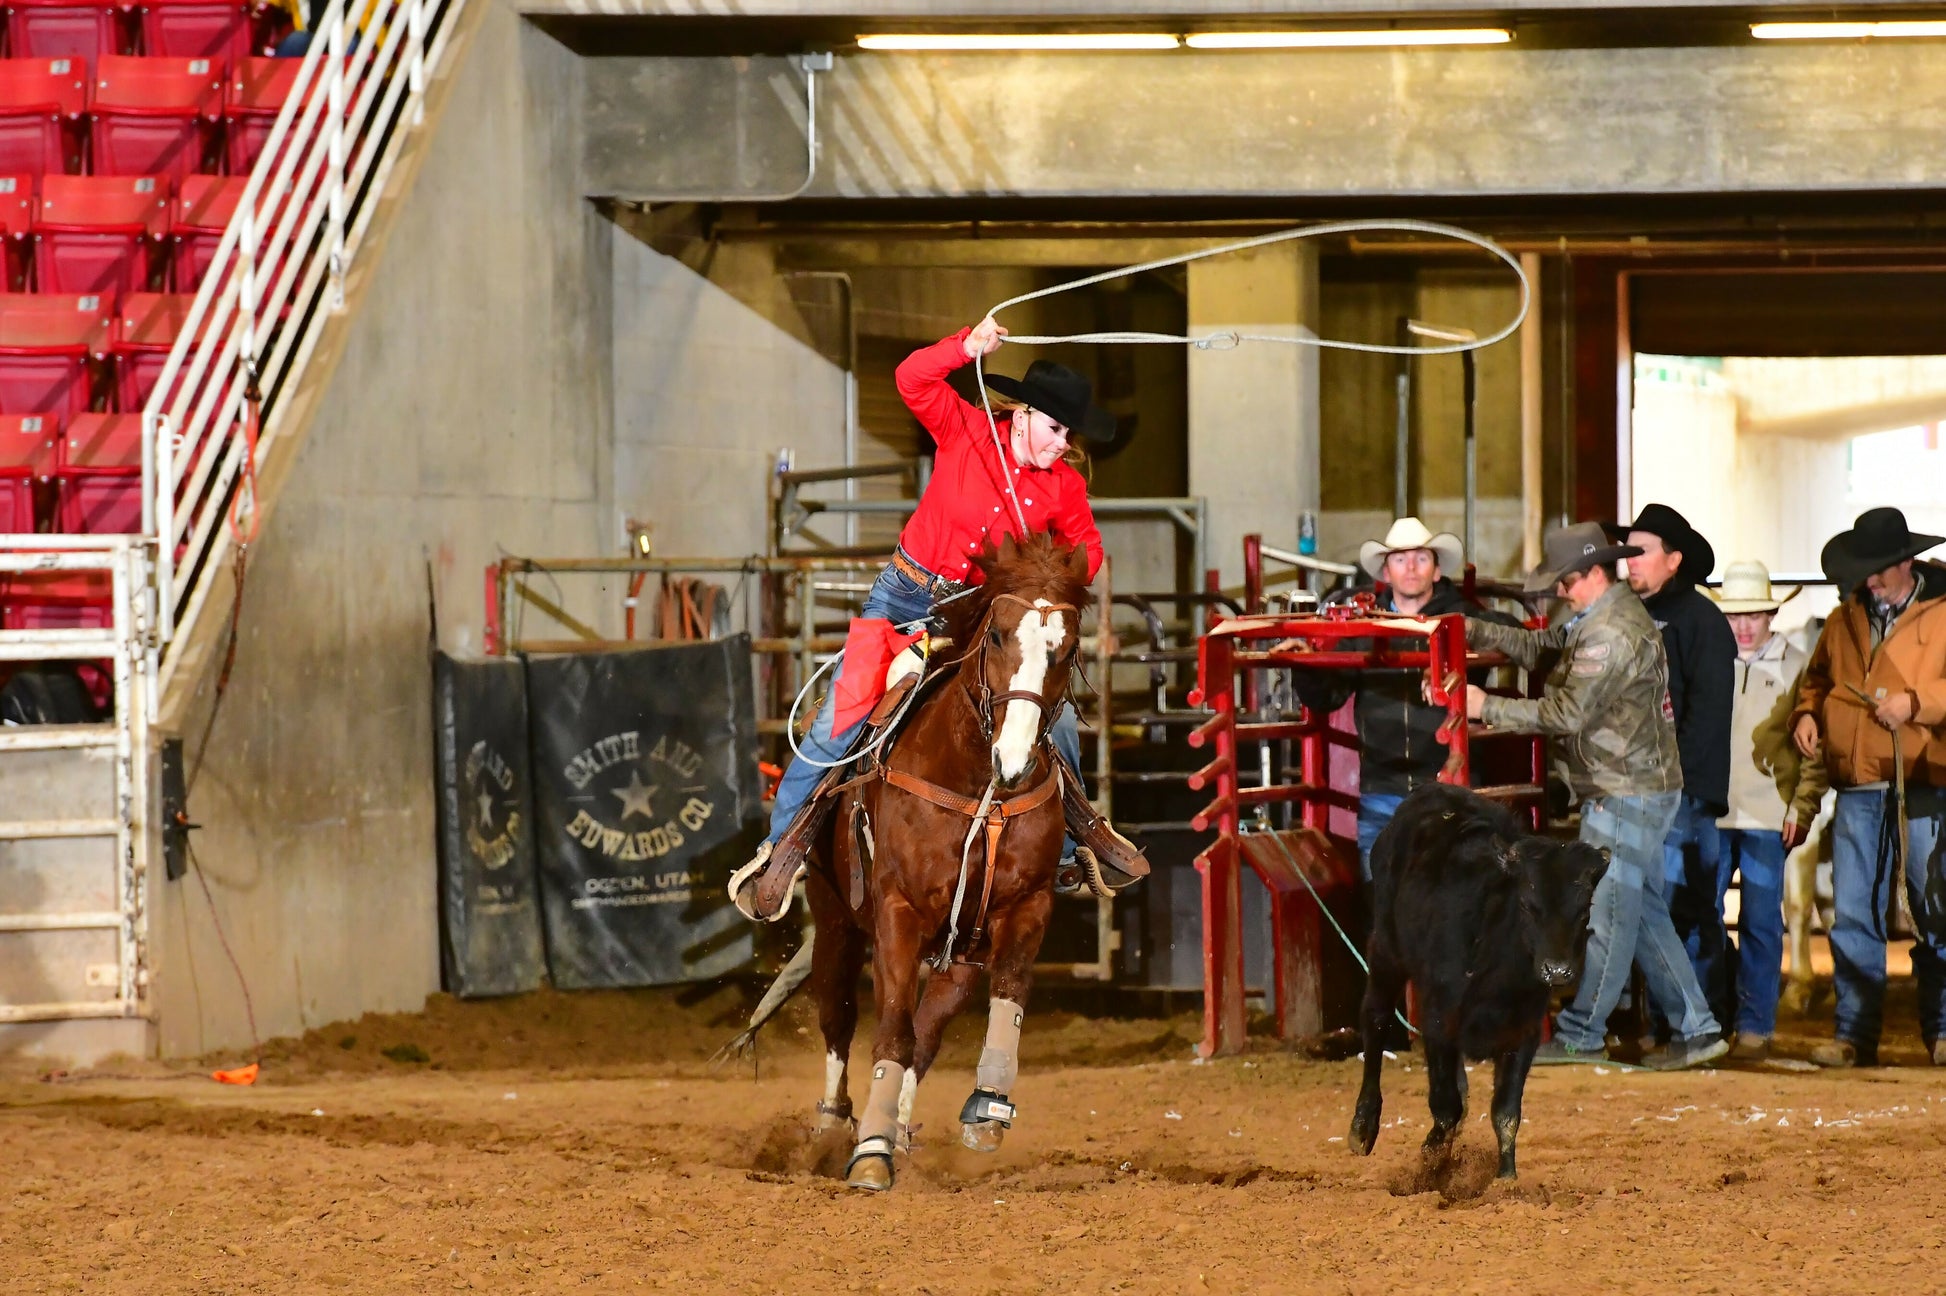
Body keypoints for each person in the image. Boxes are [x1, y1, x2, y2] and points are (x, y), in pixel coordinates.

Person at [730, 317, 1144, 923]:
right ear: (1023, 415)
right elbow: (912, 379)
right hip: (904, 596)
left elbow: (1089, 549)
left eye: (1069, 433)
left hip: (979, 613)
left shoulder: (1064, 488)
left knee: (1049, 716)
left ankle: (1075, 841)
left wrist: (1051, 577)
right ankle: (781, 850)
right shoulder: (966, 431)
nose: (1063, 443)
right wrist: (964, 347)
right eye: (1056, 428)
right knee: (841, 715)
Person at [1463, 522, 1727, 1070]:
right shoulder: (1607, 618)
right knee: (1640, 911)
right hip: (1634, 786)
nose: (1561, 591)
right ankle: (1697, 1029)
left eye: (1566, 581)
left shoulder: (1610, 632)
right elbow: (1544, 648)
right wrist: (1478, 630)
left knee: (1607, 914)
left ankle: (1582, 1033)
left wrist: (1485, 707)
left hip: (1623, 790)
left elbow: (1566, 713)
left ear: (1593, 574)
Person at [1791, 507, 1946, 1068]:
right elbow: (1817, 679)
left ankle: (1943, 1028)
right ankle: (1854, 1033)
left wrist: (1917, 703)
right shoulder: (1844, 619)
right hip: (1858, 783)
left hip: (1923, 779)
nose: (1870, 579)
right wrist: (1806, 714)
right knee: (1854, 911)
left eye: (1879, 568)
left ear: (1906, 563)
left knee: (1934, 907)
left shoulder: (1943, 614)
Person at [1292, 517, 1515, 876]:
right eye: (1400, 559)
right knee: (1381, 894)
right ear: (1387, 571)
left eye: (1421, 558)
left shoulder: (1464, 619)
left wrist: (1456, 650)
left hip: (1449, 792)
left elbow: (1513, 633)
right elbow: (1325, 696)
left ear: (1436, 570)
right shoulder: (1364, 630)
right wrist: (1305, 665)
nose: (1410, 567)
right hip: (1382, 791)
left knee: (1447, 892)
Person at [1614, 504, 1738, 1024]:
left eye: (1641, 551)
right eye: (1628, 552)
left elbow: (1706, 713)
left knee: (1682, 907)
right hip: (1636, 789)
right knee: (1645, 905)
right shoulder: (1629, 617)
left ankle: (1696, 1018)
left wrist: (1679, 787)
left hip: (1676, 793)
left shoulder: (1699, 622)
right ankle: (1671, 1020)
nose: (1630, 561)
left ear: (1674, 559)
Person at [1711, 561, 1827, 1062]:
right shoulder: (1710, 661)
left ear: (1770, 615)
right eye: (1735, 616)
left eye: (1753, 615)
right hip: (1713, 813)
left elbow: (1816, 749)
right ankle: (1717, 1015)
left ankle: (1755, 1024)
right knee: (1702, 918)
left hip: (1767, 816)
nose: (1743, 626)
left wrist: (1801, 807)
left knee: (1761, 922)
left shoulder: (1799, 667)